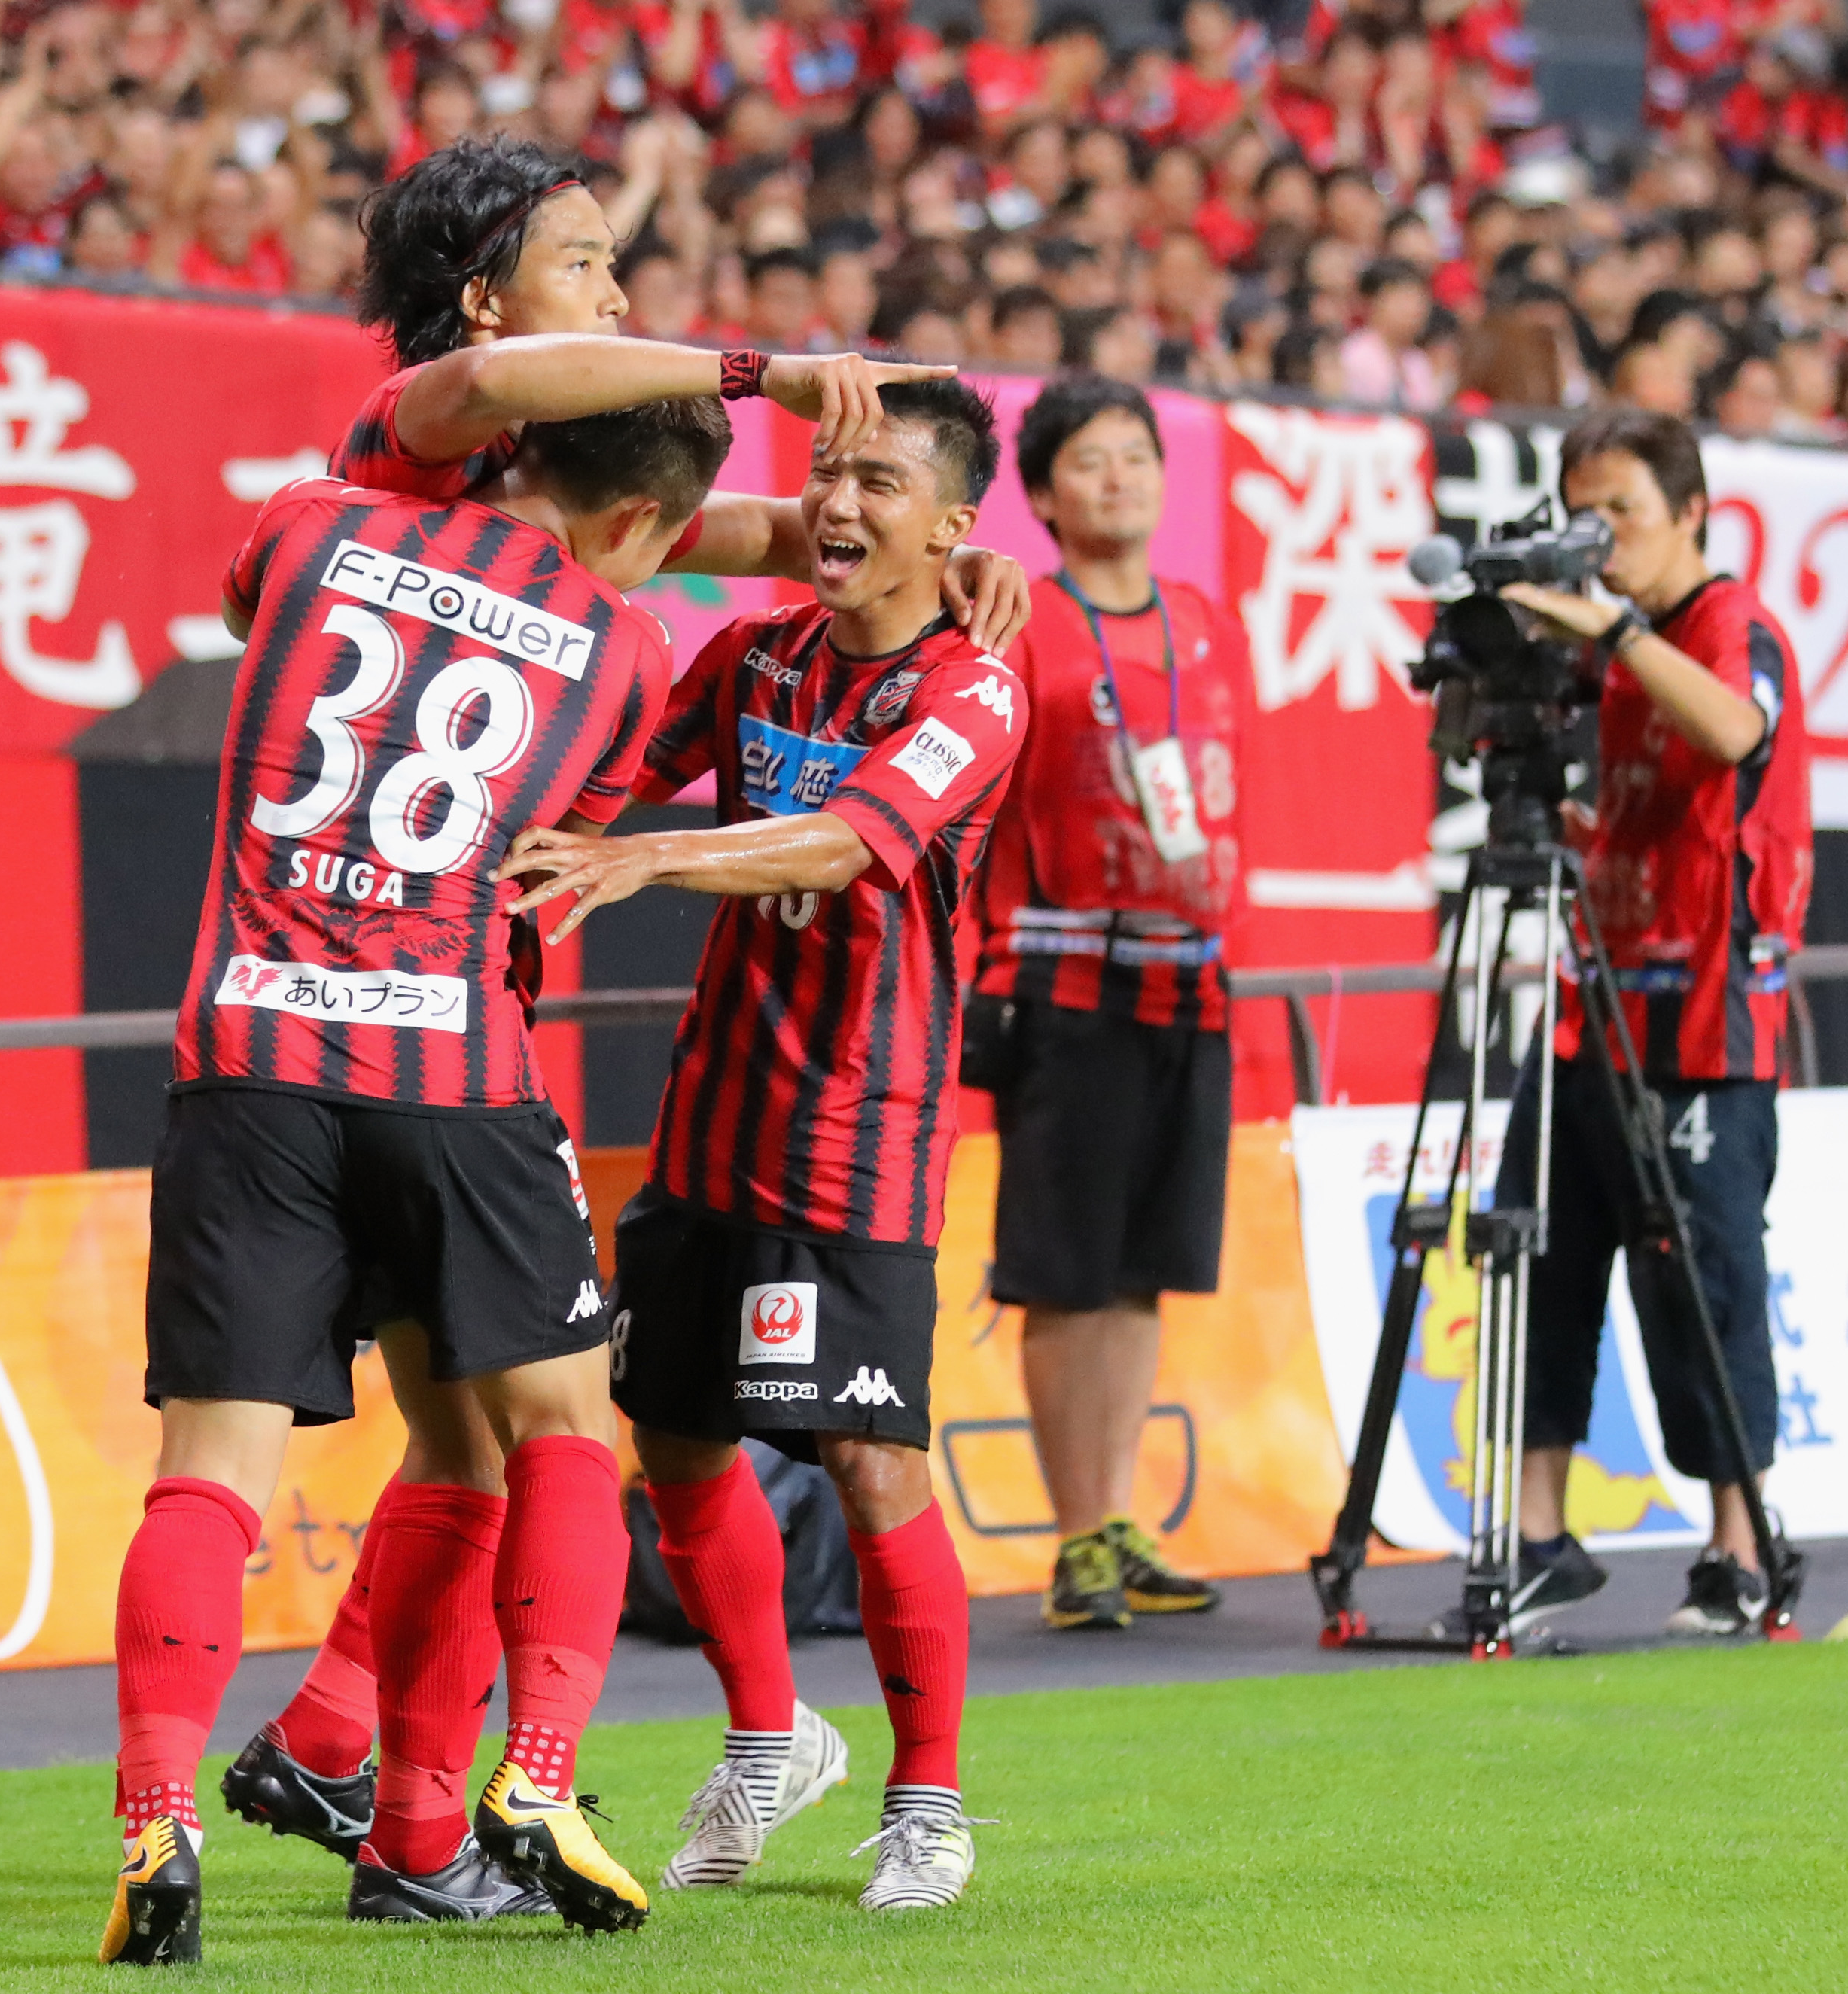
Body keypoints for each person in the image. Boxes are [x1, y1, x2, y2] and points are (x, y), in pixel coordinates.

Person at [214, 133, 1033, 1881]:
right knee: (544, 1434)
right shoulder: (422, 433)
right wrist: (775, 374)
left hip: (442, 1029)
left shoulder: (873, 644)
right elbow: (527, 398)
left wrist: (913, 540)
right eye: (587, 260)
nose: (618, 289)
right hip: (425, 1029)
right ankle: (430, 1769)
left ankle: (377, 1777)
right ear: (485, 298)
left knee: (493, 1437)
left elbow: (722, 529)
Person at [100, 391, 737, 1959]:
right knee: (559, 1428)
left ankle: (164, 1814)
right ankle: (536, 1777)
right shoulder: (623, 640)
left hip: (248, 1061)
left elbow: (251, 602)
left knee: (212, 1468)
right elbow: (553, 843)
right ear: (644, 526)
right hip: (449, 1069)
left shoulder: (310, 526)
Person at [501, 379, 1021, 1913]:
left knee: (869, 1460)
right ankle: (770, 1733)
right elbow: (598, 780)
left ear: (950, 527)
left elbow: (852, 837)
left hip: (860, 1133)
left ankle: (928, 1800)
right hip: (711, 1120)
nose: (840, 505)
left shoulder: (973, 688)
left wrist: (646, 853)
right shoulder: (753, 656)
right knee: (668, 1438)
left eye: (879, 481)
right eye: (828, 473)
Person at [1490, 407, 1814, 1640]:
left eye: (1620, 510)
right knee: (1546, 1259)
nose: (1599, 536)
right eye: (1582, 510)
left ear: (1691, 512)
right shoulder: (1594, 645)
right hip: (1590, 995)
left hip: (1703, 1012)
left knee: (1705, 1277)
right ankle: (1535, 1535)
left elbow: (1736, 731)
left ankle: (1738, 1545)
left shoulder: (1727, 624)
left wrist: (1614, 630)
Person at [964, 374, 1247, 1633]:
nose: (1120, 476)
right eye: (1090, 461)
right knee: (1064, 1274)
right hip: (1062, 978)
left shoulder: (1201, 617)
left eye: (1137, 455)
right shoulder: (1025, 622)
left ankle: (1118, 1514)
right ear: (1040, 494)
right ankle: (1074, 1531)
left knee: (1141, 1272)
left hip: (1191, 978)